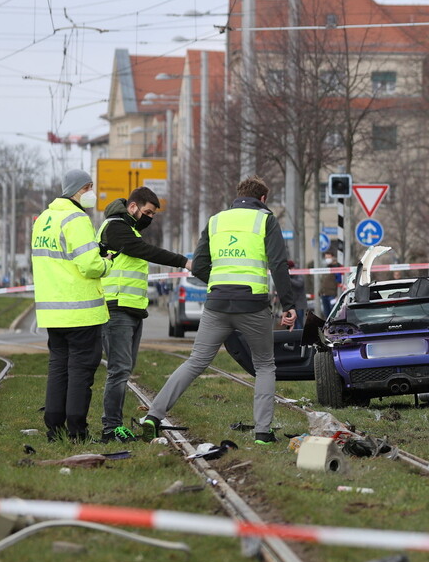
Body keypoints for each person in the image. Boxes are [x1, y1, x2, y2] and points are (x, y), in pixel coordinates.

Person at [140, 176, 296, 444]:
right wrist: (289, 305)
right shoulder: (265, 220)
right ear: (263, 199)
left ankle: (154, 416)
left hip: (217, 304)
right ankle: (262, 432)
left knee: (196, 361)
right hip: (252, 305)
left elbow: (198, 264)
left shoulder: (215, 220)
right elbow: (279, 264)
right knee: (264, 366)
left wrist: (218, 282)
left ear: (237, 195)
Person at [96, 187, 191, 443]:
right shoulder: (115, 227)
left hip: (132, 310)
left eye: (153, 214)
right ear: (133, 207)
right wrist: (184, 262)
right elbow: (145, 251)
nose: (149, 217)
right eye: (147, 212)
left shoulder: (130, 229)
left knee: (124, 369)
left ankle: (113, 424)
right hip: (116, 309)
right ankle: (111, 427)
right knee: (119, 370)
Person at [30, 170, 112, 443]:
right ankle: (77, 430)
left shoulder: (43, 219)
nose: (92, 193)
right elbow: (90, 265)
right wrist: (107, 261)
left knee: (58, 367)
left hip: (52, 311)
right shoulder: (76, 219)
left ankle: (55, 428)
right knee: (80, 370)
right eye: (90, 187)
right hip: (80, 311)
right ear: (82, 188)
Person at [319, 251, 341, 317]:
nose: (327, 259)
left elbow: (339, 280)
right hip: (324, 294)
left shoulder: (336, 267)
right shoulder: (325, 268)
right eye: (326, 257)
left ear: (332, 257)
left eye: (328, 257)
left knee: (333, 314)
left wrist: (337, 294)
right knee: (326, 314)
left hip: (332, 295)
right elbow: (323, 281)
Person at [287, 260, 306, 329]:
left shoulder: (298, 274)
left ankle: (300, 338)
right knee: (292, 323)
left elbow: (299, 284)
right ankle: (294, 338)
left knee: (299, 323)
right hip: (291, 304)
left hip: (299, 303)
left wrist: (288, 279)